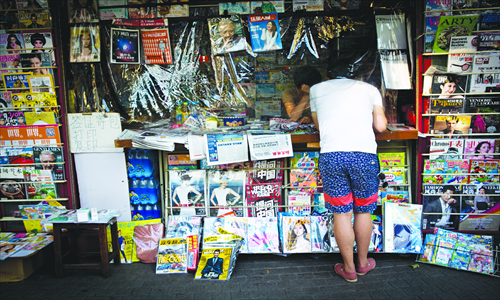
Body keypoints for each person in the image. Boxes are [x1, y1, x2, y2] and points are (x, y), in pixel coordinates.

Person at [309, 62, 387, 283]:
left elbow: (318, 125)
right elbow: (380, 127)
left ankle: (349, 269)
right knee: (363, 210)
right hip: (364, 156)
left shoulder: (316, 89)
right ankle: (363, 264)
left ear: (329, 75)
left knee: (341, 212)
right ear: (357, 76)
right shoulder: (370, 90)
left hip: (332, 155)